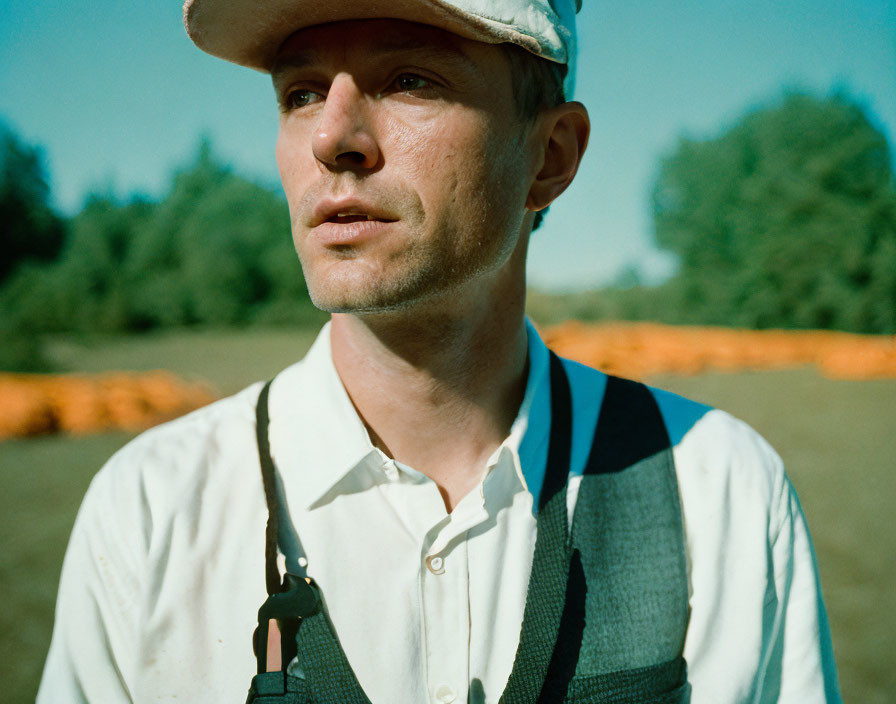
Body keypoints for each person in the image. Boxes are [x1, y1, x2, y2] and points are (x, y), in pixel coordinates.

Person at [38, 0, 842, 702]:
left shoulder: (722, 493)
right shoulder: (149, 510)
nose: (333, 138)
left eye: (410, 80)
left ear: (551, 155)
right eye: (302, 92)